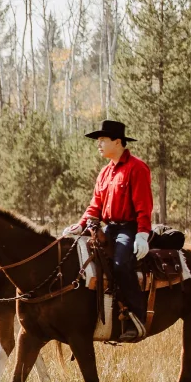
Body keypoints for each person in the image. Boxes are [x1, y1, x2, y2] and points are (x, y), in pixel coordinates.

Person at [62, 120, 153, 342]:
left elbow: (144, 206)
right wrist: (81, 225)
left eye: (102, 140)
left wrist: (142, 234)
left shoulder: (137, 168)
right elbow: (95, 205)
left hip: (128, 229)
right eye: (98, 141)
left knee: (121, 266)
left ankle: (138, 317)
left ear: (117, 141)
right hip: (107, 228)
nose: (98, 145)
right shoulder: (105, 172)